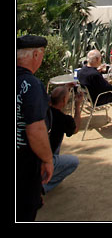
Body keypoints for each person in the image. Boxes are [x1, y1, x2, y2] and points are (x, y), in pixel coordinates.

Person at [16, 35, 53, 221]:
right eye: (42, 54)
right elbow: (35, 129)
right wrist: (47, 160)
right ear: (36, 54)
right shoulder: (32, 85)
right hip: (24, 164)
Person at [45, 85, 83, 193]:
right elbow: (75, 128)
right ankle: (44, 186)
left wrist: (66, 87)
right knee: (73, 162)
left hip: (35, 155)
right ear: (64, 100)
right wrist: (77, 105)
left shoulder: (44, 109)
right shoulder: (63, 119)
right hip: (46, 159)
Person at [78, 50, 112, 124]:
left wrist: (98, 70)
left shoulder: (82, 71)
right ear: (97, 59)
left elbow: (94, 79)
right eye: (100, 58)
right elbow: (106, 86)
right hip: (100, 98)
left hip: (90, 97)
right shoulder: (94, 75)